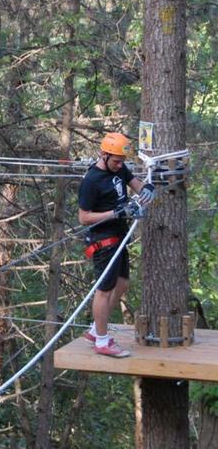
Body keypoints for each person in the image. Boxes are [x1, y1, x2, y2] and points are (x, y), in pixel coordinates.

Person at [78, 132, 155, 358]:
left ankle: (95, 330)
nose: (120, 165)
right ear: (103, 154)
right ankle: (102, 340)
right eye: (116, 161)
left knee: (121, 285)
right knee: (104, 290)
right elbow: (83, 218)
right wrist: (115, 213)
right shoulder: (91, 181)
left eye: (122, 161)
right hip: (104, 241)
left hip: (119, 238)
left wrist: (147, 189)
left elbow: (135, 183)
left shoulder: (119, 168)